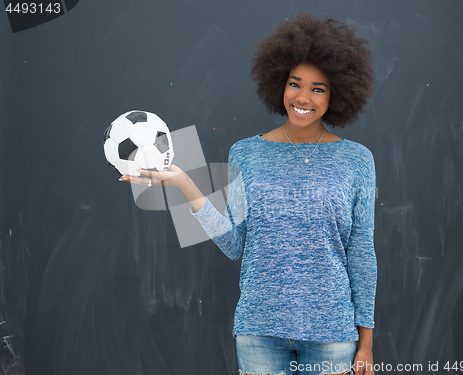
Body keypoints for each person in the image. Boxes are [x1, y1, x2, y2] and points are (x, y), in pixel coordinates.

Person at [121, 13, 377, 375]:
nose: (303, 97)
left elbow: (362, 255)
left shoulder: (357, 160)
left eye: (318, 88)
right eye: (294, 84)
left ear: (337, 93)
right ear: (279, 84)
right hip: (259, 333)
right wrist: (186, 185)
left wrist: (365, 344)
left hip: (332, 334)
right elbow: (235, 244)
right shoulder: (246, 153)